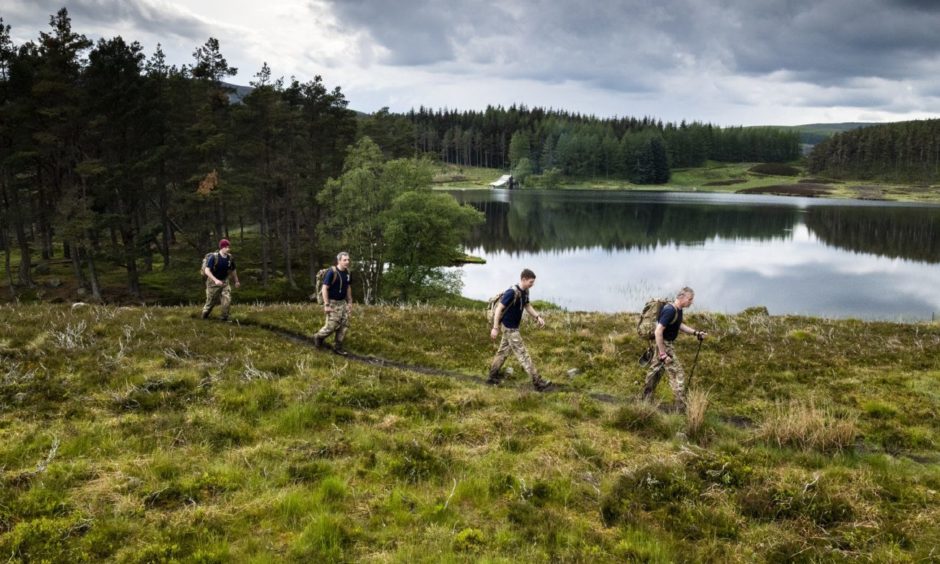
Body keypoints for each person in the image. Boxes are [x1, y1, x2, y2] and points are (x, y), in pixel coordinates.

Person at [641, 286, 707, 412]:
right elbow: (658, 331)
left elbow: (679, 325)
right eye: (690, 299)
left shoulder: (678, 310)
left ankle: (644, 401)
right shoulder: (670, 310)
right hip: (664, 346)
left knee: (655, 373)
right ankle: (680, 409)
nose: (691, 302)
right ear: (681, 297)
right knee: (678, 374)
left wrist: (696, 333)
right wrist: (663, 354)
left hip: (664, 345)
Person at [487, 268, 552, 391]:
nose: (532, 285)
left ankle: (492, 376)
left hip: (511, 328)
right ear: (523, 279)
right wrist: (495, 328)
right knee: (523, 355)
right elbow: (498, 309)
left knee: (502, 352)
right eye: (531, 282)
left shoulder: (525, 291)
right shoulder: (511, 292)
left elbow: (527, 305)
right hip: (510, 329)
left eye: (533, 282)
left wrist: (537, 317)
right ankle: (538, 382)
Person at [314, 252, 353, 355]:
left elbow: (348, 287)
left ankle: (338, 347)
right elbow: (324, 289)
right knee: (331, 326)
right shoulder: (332, 272)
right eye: (345, 260)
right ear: (339, 261)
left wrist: (350, 302)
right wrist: (326, 305)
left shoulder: (347, 272)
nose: (347, 262)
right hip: (332, 303)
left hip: (343, 303)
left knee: (344, 326)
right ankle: (318, 337)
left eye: (348, 260)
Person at [202, 239, 240, 321]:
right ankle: (204, 316)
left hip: (224, 281)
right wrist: (215, 280)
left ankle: (224, 318)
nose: (228, 249)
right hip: (213, 282)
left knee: (227, 299)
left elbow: (233, 270)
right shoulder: (214, 257)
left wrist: (236, 281)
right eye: (226, 247)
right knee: (211, 302)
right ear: (221, 247)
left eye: (228, 247)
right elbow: (207, 270)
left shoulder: (230, 258)